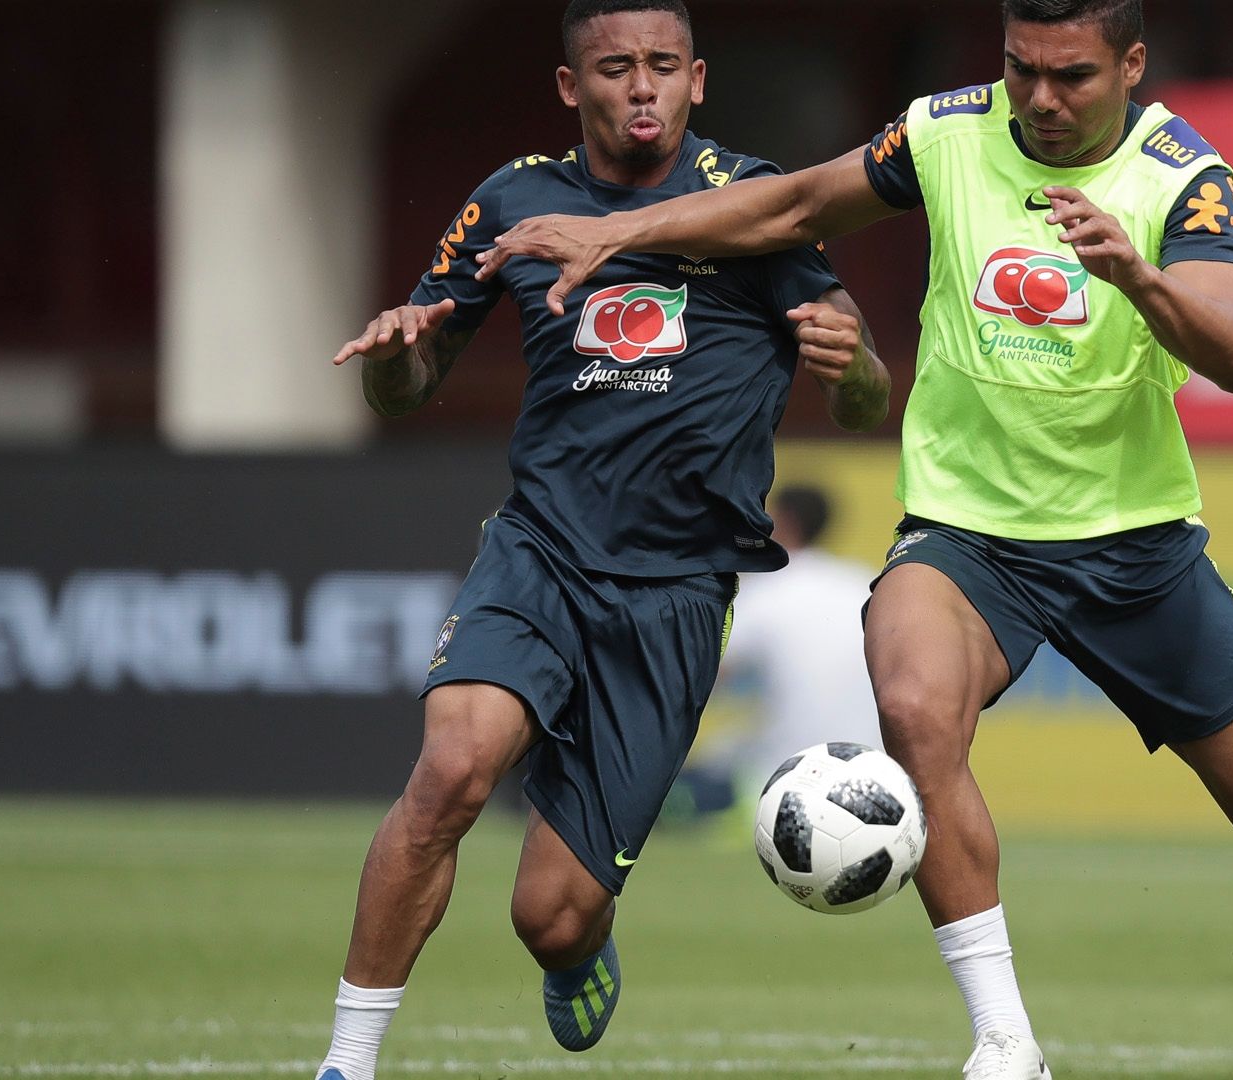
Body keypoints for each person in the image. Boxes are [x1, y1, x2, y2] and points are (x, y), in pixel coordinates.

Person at [478, 2, 1233, 1078]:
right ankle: (1005, 1042)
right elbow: (788, 206)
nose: (1042, 100)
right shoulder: (943, 132)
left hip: (1136, 546)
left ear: (1131, 65)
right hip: (968, 540)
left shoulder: (1180, 173)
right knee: (918, 708)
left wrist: (1139, 277)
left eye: (1072, 76)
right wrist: (618, 230)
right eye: (1023, 70)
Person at [310, 2, 891, 1077]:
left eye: (662, 66)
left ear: (697, 79)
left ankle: (579, 950)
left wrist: (849, 361)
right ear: (571, 87)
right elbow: (406, 385)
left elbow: (865, 399)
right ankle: (346, 1062)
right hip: (539, 553)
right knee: (450, 773)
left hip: (675, 595)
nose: (641, 87)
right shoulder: (512, 199)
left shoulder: (753, 204)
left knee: (553, 917)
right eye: (614, 67)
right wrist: (397, 355)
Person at [720, 485, 884, 781]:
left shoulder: (769, 588)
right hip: (872, 766)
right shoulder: (861, 582)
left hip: (788, 772)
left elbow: (706, 669)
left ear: (785, 521)